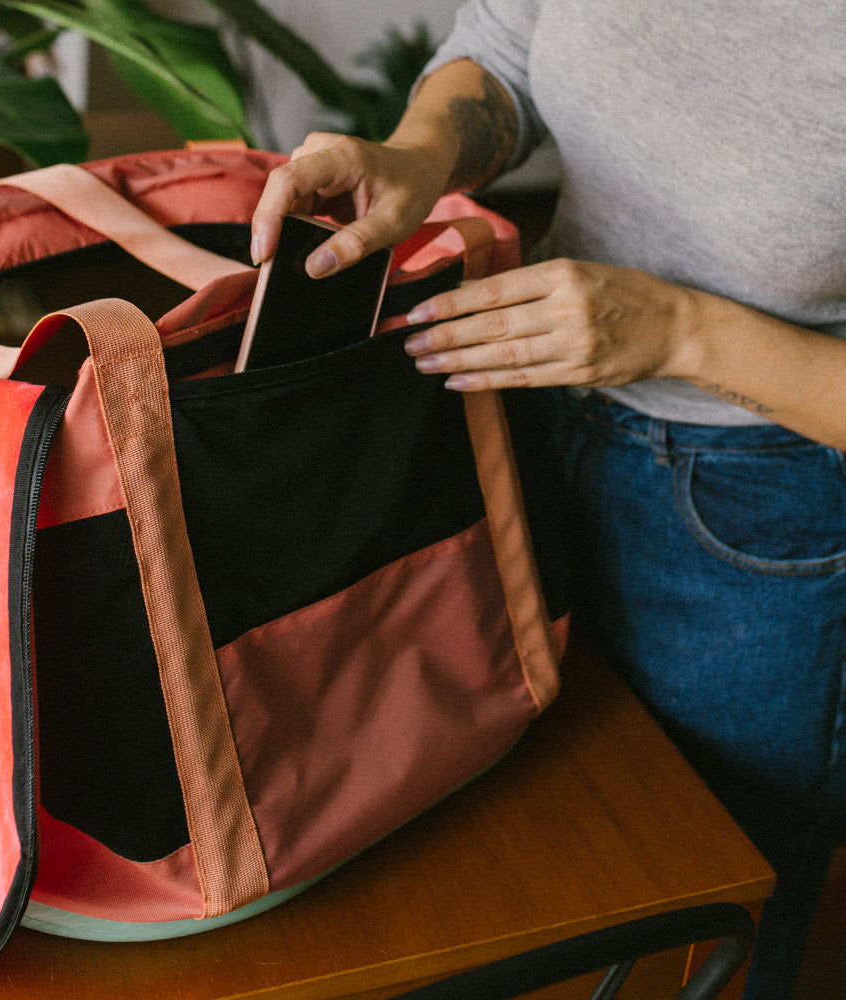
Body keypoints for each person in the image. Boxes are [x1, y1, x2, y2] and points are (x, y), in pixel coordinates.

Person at [250, 2, 846, 997]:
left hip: (761, 516)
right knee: (533, 870)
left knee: (697, 923)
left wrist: (680, 334)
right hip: (532, 412)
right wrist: (418, 155)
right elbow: (508, 43)